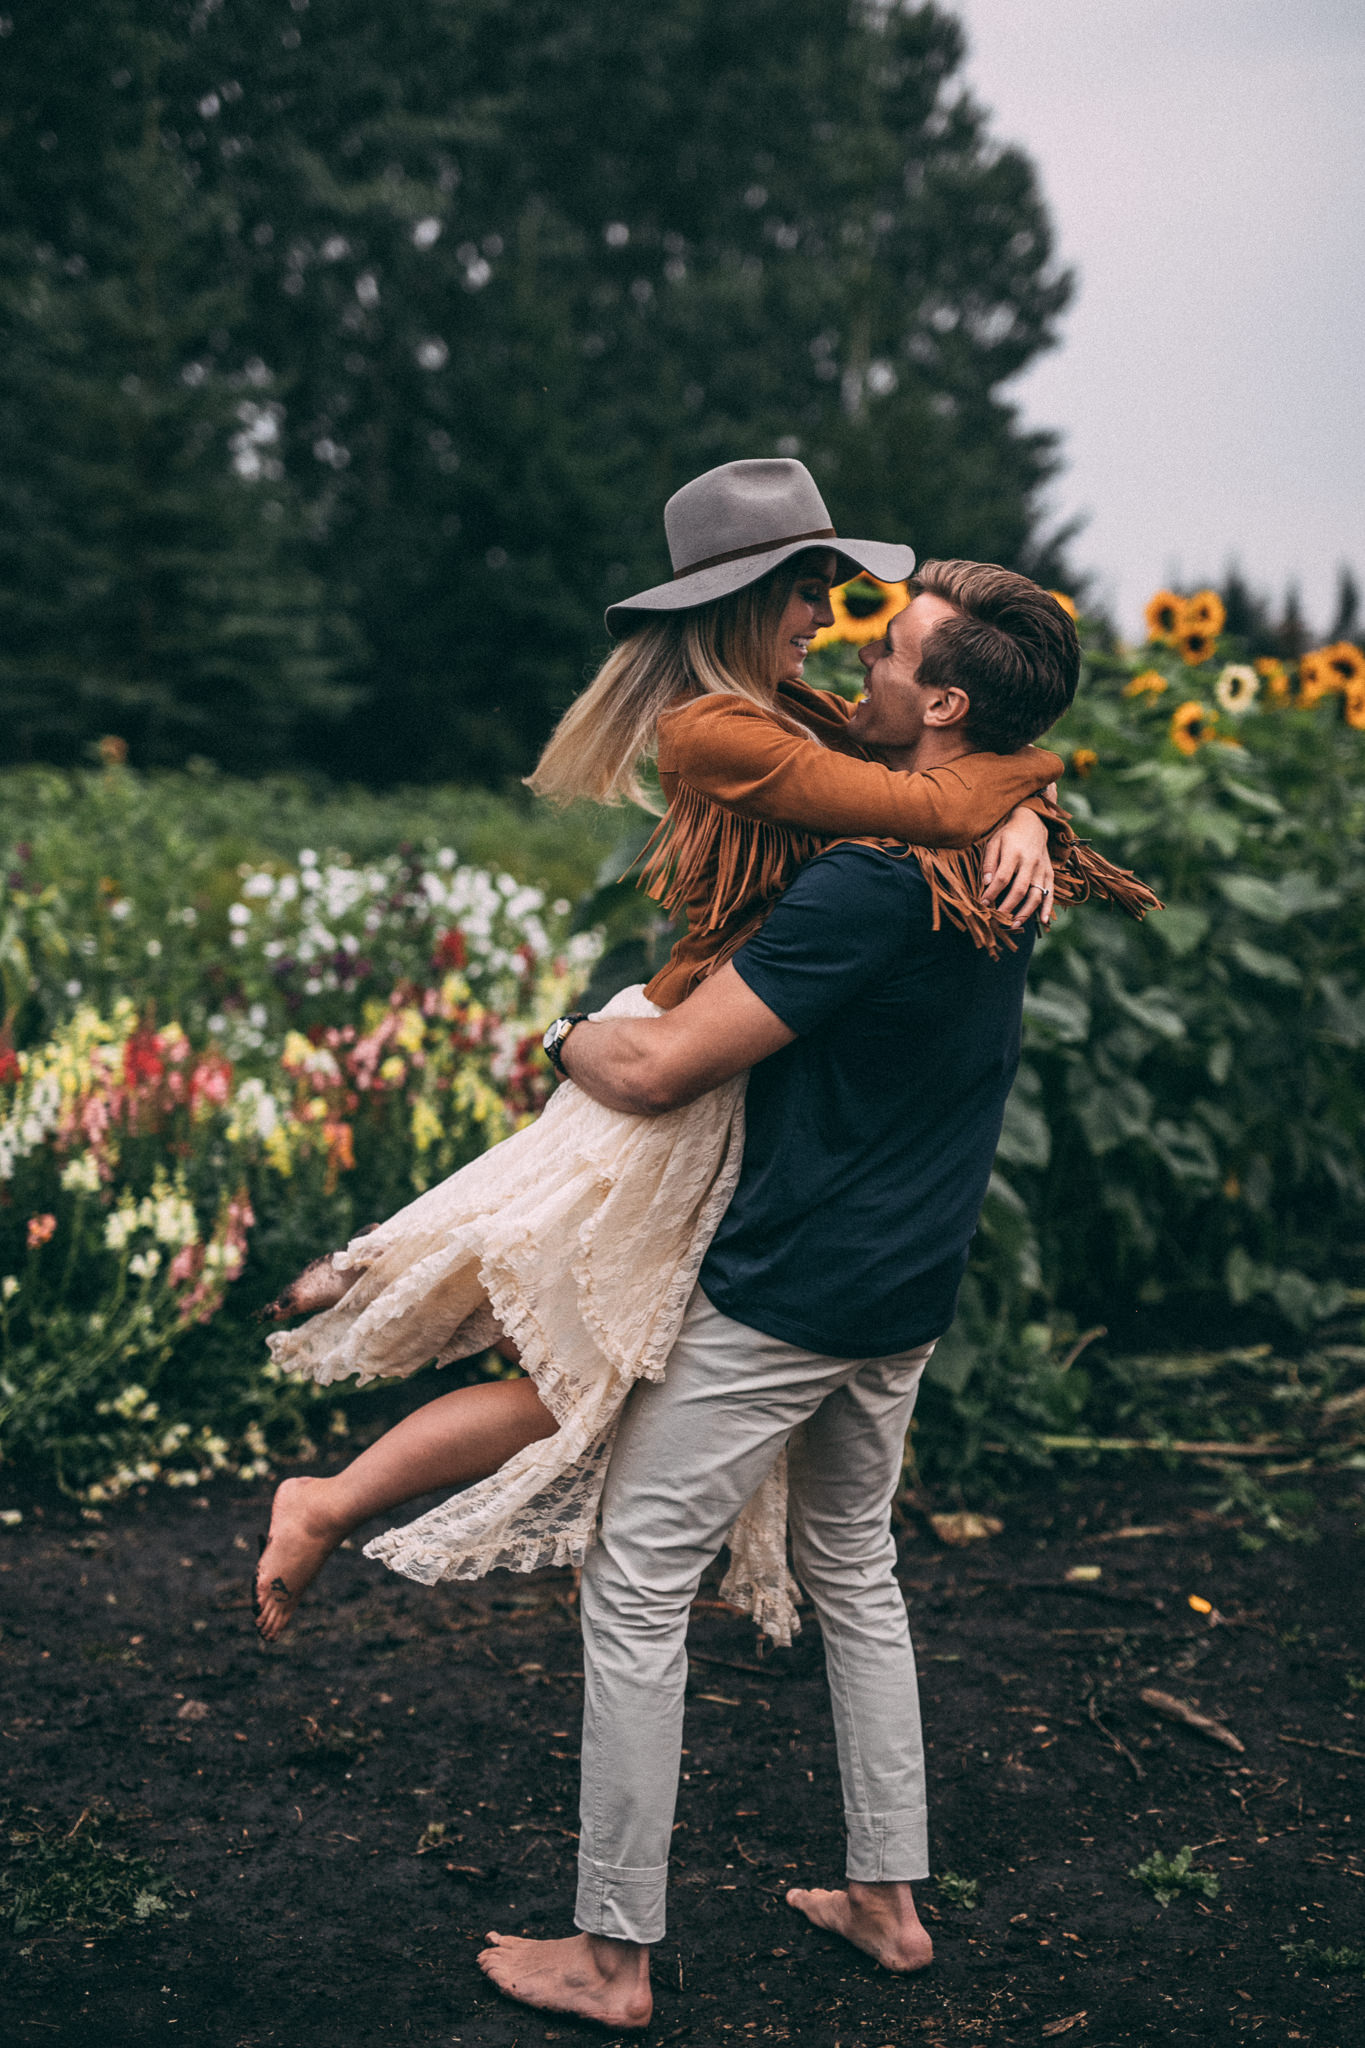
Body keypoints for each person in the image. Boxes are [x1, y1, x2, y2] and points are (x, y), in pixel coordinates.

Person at [253, 461, 1149, 1644]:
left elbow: (937, 770)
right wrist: (1033, 782)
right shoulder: (717, 729)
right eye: (814, 593)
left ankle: (332, 1464)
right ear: (750, 598)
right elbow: (930, 804)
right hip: (683, 1034)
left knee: (569, 1359)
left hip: (727, 1051)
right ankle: (374, 1281)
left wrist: (1024, 803)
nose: (831, 623)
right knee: (552, 1283)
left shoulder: (798, 713)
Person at [477, 560, 1146, 2028]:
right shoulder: (1012, 853)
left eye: (893, 652)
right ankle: (888, 1901)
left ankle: (609, 1952)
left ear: (944, 701)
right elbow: (906, 772)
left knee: (639, 1580)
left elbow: (659, 1069)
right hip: (910, 1283)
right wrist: (1024, 792)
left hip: (795, 1286)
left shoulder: (868, 878)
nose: (861, 664)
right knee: (855, 1568)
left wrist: (560, 1032)